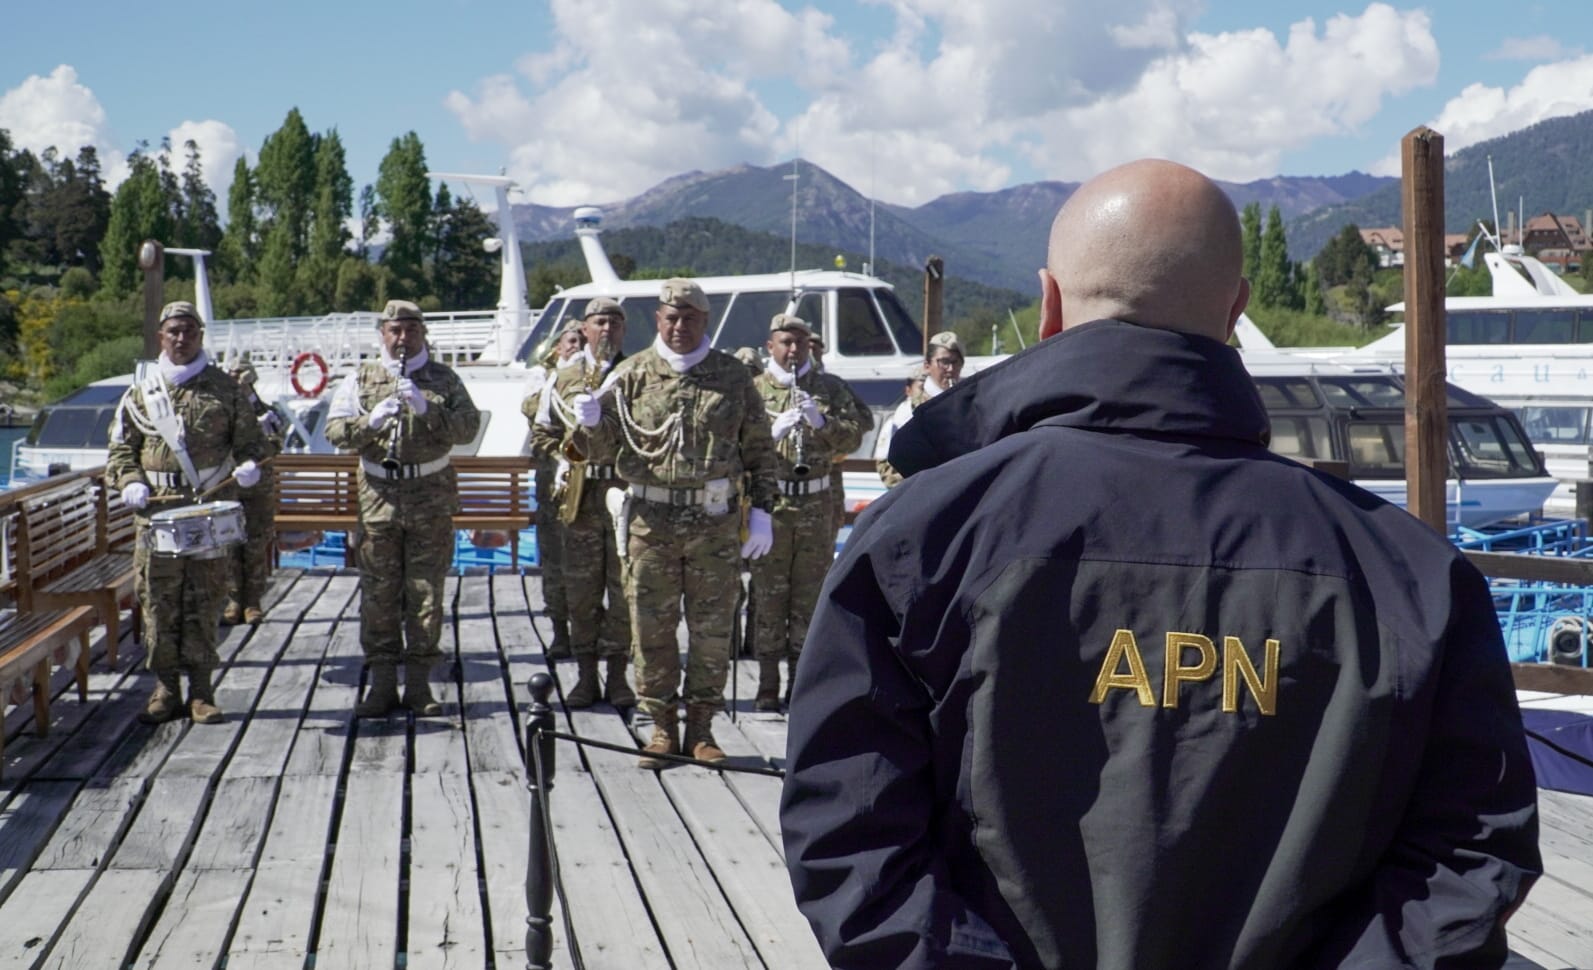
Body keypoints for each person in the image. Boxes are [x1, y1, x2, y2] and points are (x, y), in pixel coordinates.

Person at [780, 159, 1541, 969]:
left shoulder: (922, 537)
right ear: (1235, 309)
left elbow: (851, 830)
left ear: (1048, 304)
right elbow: (1468, 852)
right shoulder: (1407, 569)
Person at [570, 278, 778, 767]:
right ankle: (661, 728)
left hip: (714, 522)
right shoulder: (632, 375)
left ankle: (701, 729)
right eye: (670, 317)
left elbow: (760, 453)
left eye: (689, 318)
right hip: (651, 521)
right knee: (652, 628)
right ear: (658, 320)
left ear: (704, 321)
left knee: (711, 630)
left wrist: (764, 513)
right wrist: (591, 422)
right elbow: (599, 454)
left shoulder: (731, 376)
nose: (679, 326)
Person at [108, 300, 267, 724]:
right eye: (173, 331)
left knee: (205, 599)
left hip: (206, 511)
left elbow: (255, 444)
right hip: (156, 515)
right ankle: (165, 689)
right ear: (161, 336)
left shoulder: (226, 389)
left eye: (189, 331)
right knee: (158, 603)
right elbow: (121, 451)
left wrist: (250, 466)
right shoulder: (141, 394)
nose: (181, 338)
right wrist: (130, 482)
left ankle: (200, 691)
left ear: (200, 335)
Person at [326, 299, 482, 718]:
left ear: (422, 333)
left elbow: (468, 430)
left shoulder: (444, 379)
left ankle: (417, 685)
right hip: (379, 497)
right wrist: (371, 423)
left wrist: (429, 410)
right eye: (394, 330)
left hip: (430, 497)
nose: (402, 337)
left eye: (410, 329)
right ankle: (380, 684)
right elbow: (335, 431)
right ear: (382, 333)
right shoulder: (361, 378)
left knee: (426, 594)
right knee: (379, 594)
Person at [748, 314, 866, 709]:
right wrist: (772, 435)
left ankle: (801, 682)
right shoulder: (753, 390)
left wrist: (821, 422)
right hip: (773, 504)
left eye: (799, 342)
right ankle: (766, 684)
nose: (793, 349)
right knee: (768, 595)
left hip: (816, 502)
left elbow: (856, 433)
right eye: (785, 342)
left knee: (809, 597)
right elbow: (735, 445)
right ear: (771, 346)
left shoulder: (828, 387)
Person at [530, 298, 634, 708]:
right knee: (582, 592)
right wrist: (562, 457)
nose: (606, 329)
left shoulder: (636, 373)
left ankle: (619, 676)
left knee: (624, 591)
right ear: (585, 329)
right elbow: (542, 432)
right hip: (579, 499)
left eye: (613, 322)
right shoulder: (561, 377)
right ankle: (586, 676)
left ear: (624, 329)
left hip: (624, 495)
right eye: (598, 322)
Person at [524, 320, 586, 659]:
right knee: (555, 561)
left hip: (588, 483)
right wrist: (557, 379)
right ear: (559, 347)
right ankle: (560, 632)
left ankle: (595, 632)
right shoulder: (544, 379)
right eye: (570, 340)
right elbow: (530, 411)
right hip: (553, 483)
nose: (576, 346)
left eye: (581, 340)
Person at [223, 356, 283, 626]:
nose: (237, 379)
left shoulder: (265, 410)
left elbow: (276, 443)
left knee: (255, 543)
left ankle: (253, 601)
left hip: (259, 486)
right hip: (230, 485)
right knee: (230, 544)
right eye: (232, 374)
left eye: (241, 374)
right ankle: (234, 599)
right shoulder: (222, 410)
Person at [808, 332, 873, 549]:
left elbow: (865, 419)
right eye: (806, 347)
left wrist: (836, 433)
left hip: (830, 471)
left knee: (831, 526)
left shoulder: (833, 386)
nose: (810, 353)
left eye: (815, 349)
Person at [873, 330, 962, 486]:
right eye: (944, 362)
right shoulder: (908, 412)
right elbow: (887, 468)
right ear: (927, 366)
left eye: (956, 362)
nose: (950, 369)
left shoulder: (965, 405)